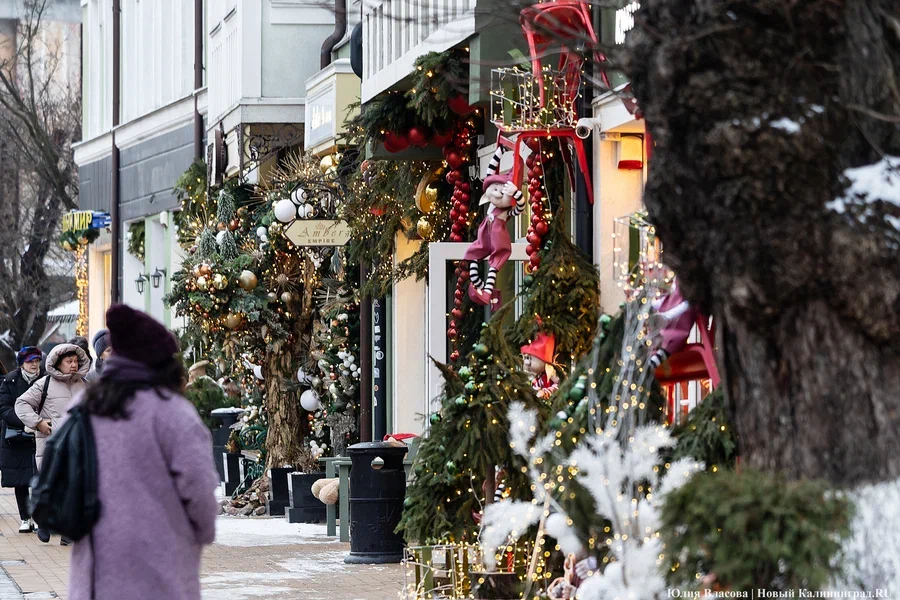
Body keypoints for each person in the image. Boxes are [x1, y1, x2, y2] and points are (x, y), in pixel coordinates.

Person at [67, 304, 218, 600]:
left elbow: (58, 474)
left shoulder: (84, 406)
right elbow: (199, 489)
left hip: (95, 570)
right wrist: (202, 533)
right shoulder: (174, 413)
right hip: (162, 564)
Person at [15, 342, 89, 544]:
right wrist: (38, 423)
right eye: (69, 361)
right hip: (52, 445)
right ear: (58, 362)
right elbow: (21, 404)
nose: (73, 365)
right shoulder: (44, 384)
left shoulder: (85, 384)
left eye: (75, 361)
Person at [0, 347, 45, 533]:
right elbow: (4, 408)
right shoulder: (10, 380)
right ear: (21, 364)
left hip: (41, 434)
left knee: (39, 477)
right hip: (16, 436)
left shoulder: (46, 379)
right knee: (20, 479)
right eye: (30, 361)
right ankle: (25, 518)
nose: (34, 365)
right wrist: (26, 421)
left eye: (36, 361)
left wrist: (39, 423)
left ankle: (39, 517)